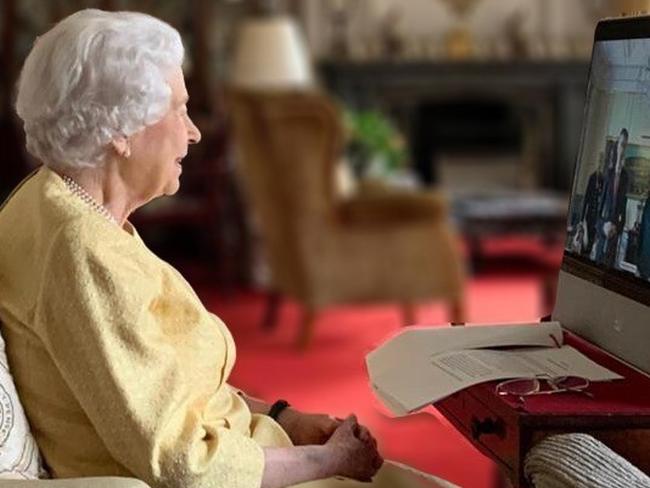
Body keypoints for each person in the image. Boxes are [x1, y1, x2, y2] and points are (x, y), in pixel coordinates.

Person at [0, 9, 451, 488]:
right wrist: (329, 461)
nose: (192, 131)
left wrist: (286, 417)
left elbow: (170, 390)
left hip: (250, 444)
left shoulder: (49, 202)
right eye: (178, 109)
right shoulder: (82, 253)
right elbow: (184, 464)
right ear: (120, 132)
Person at [594, 128, 630, 267]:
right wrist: (603, 226)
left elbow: (623, 212)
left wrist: (617, 228)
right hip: (602, 236)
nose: (623, 149)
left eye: (625, 145)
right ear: (617, 146)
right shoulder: (607, 174)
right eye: (621, 144)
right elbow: (597, 211)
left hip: (614, 240)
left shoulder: (625, 177)